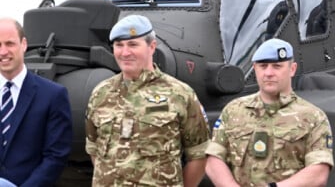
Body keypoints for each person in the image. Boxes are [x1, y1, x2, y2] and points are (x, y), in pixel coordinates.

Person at [86, 14, 209, 186]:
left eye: (133, 45)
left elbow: (199, 154)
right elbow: (94, 149)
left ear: (152, 46)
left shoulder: (180, 94)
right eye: (119, 45)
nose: (125, 52)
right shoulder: (101, 93)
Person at [206, 38, 334, 186]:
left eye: (277, 66)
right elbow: (213, 158)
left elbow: (319, 172)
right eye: (263, 66)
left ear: (292, 69)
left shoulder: (313, 117)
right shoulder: (234, 110)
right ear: (255, 68)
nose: (268, 73)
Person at [0, 17, 72, 186]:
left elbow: (56, 156)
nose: (3, 52)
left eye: (9, 44)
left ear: (23, 44)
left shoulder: (53, 95)